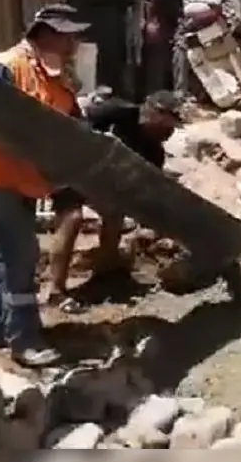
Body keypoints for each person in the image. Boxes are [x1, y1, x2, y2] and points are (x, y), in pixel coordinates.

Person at [0, 3, 89, 367]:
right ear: (48, 33)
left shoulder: (56, 75)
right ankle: (25, 340)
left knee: (1, 251)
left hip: (26, 181)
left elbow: (70, 124)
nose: (75, 43)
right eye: (70, 35)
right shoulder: (5, 66)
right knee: (20, 254)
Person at [44, 90, 183, 312]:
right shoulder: (118, 112)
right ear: (152, 113)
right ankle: (56, 290)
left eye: (172, 129)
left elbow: (144, 186)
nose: (168, 133)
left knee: (115, 213)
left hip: (103, 183)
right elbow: (76, 126)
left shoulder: (154, 151)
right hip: (73, 170)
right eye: (165, 126)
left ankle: (105, 273)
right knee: (72, 218)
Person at [121, 0, 183, 103]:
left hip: (160, 41)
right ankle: (135, 102)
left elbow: (177, 15)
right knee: (136, 72)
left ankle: (153, 104)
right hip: (139, 40)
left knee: (155, 77)